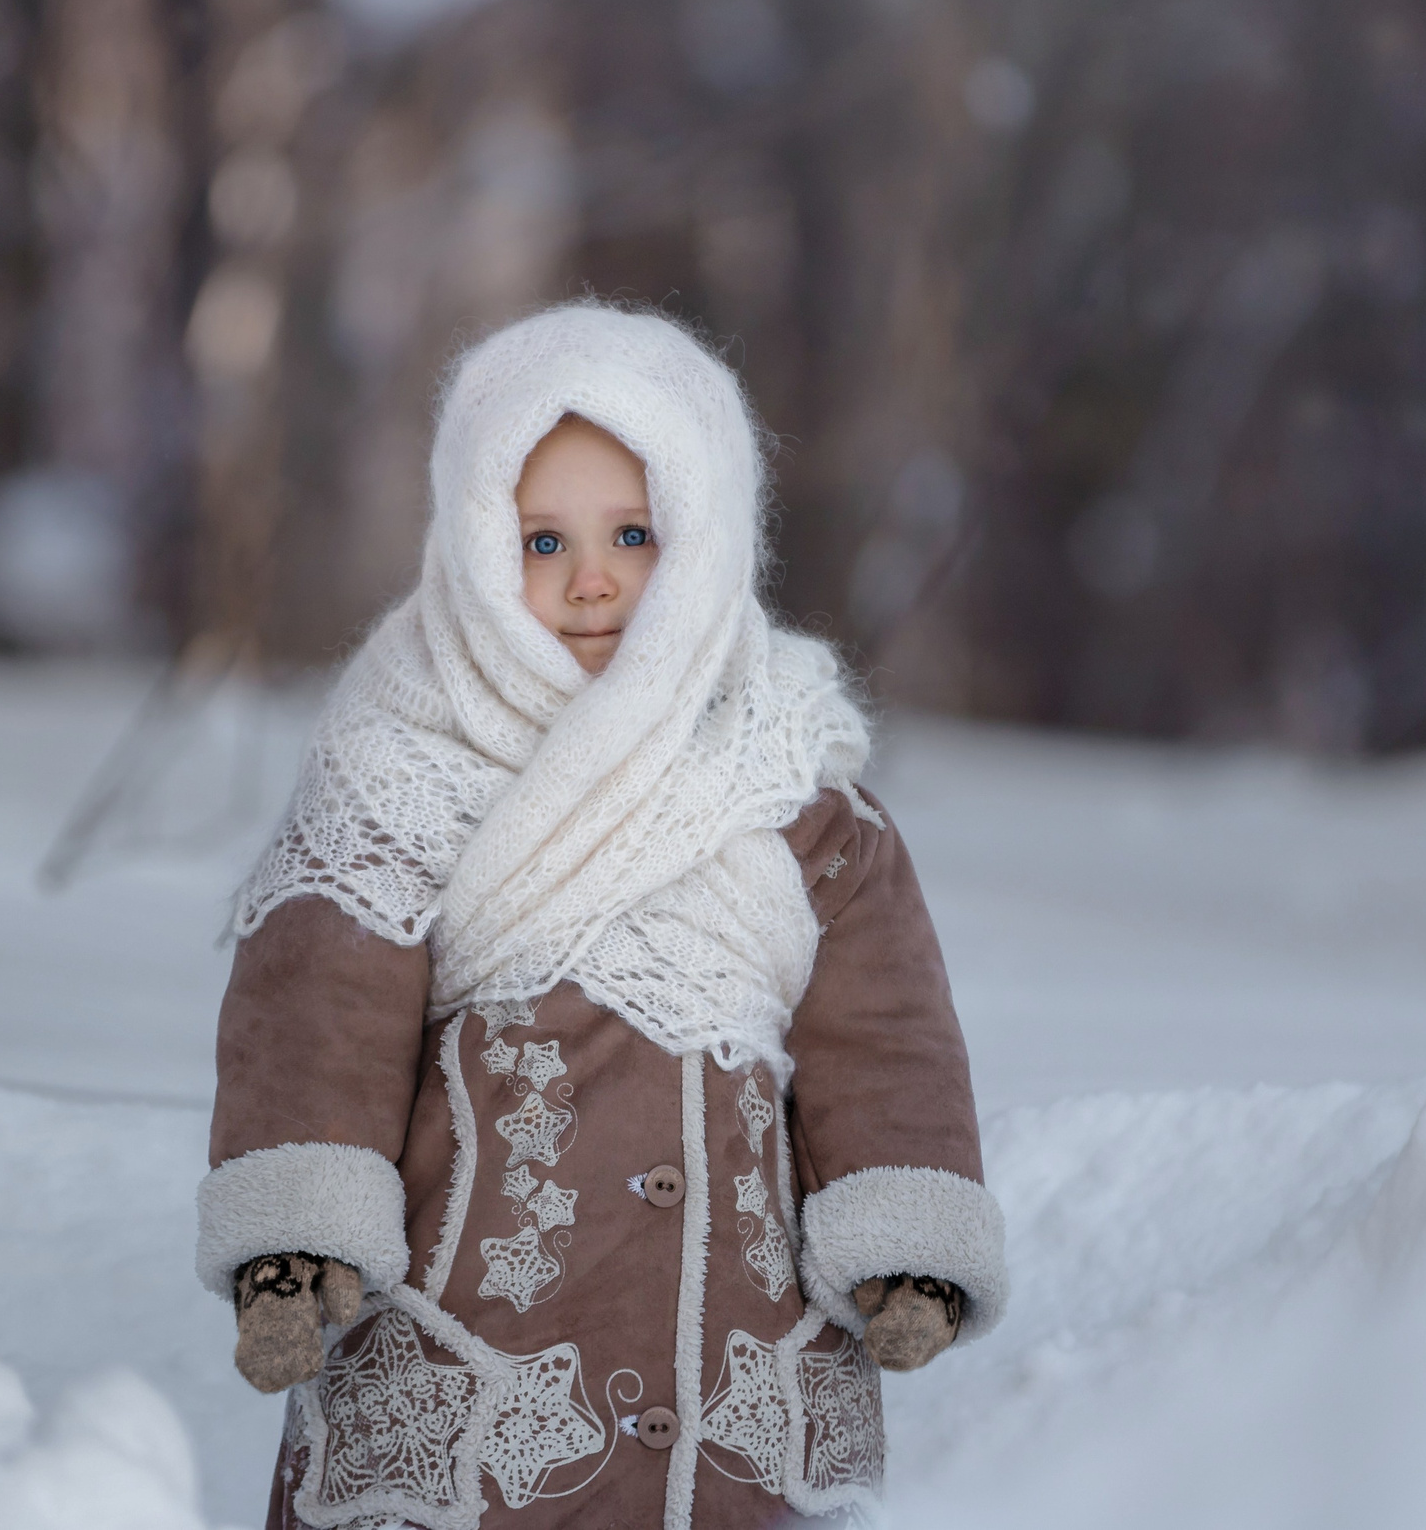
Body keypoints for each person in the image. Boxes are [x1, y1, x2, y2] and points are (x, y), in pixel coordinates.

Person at [198, 303, 1005, 1530]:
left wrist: (905, 1235)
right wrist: (292, 1251)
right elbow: (317, 1009)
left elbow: (885, 1027)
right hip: (479, 1369)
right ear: (472, 543)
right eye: (540, 540)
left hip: (733, 1371)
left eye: (634, 533)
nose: (592, 580)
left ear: (708, 536)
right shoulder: (400, 762)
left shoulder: (791, 780)